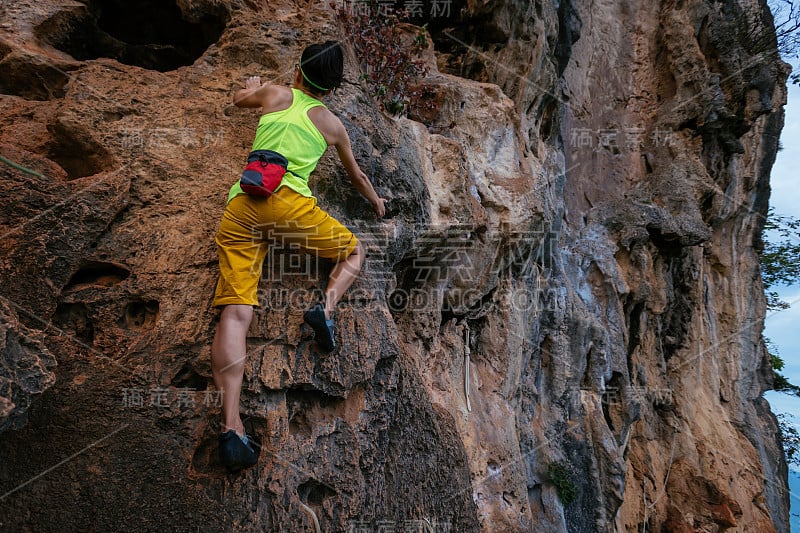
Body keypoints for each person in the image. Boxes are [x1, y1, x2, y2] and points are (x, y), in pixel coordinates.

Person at [210, 41, 386, 471]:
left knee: (235, 313)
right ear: (331, 88)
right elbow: (356, 175)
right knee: (352, 250)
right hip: (291, 208)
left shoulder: (274, 94)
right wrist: (377, 202)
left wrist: (252, 86)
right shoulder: (331, 124)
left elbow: (237, 100)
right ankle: (325, 308)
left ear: (298, 71)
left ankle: (231, 426)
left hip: (243, 206)